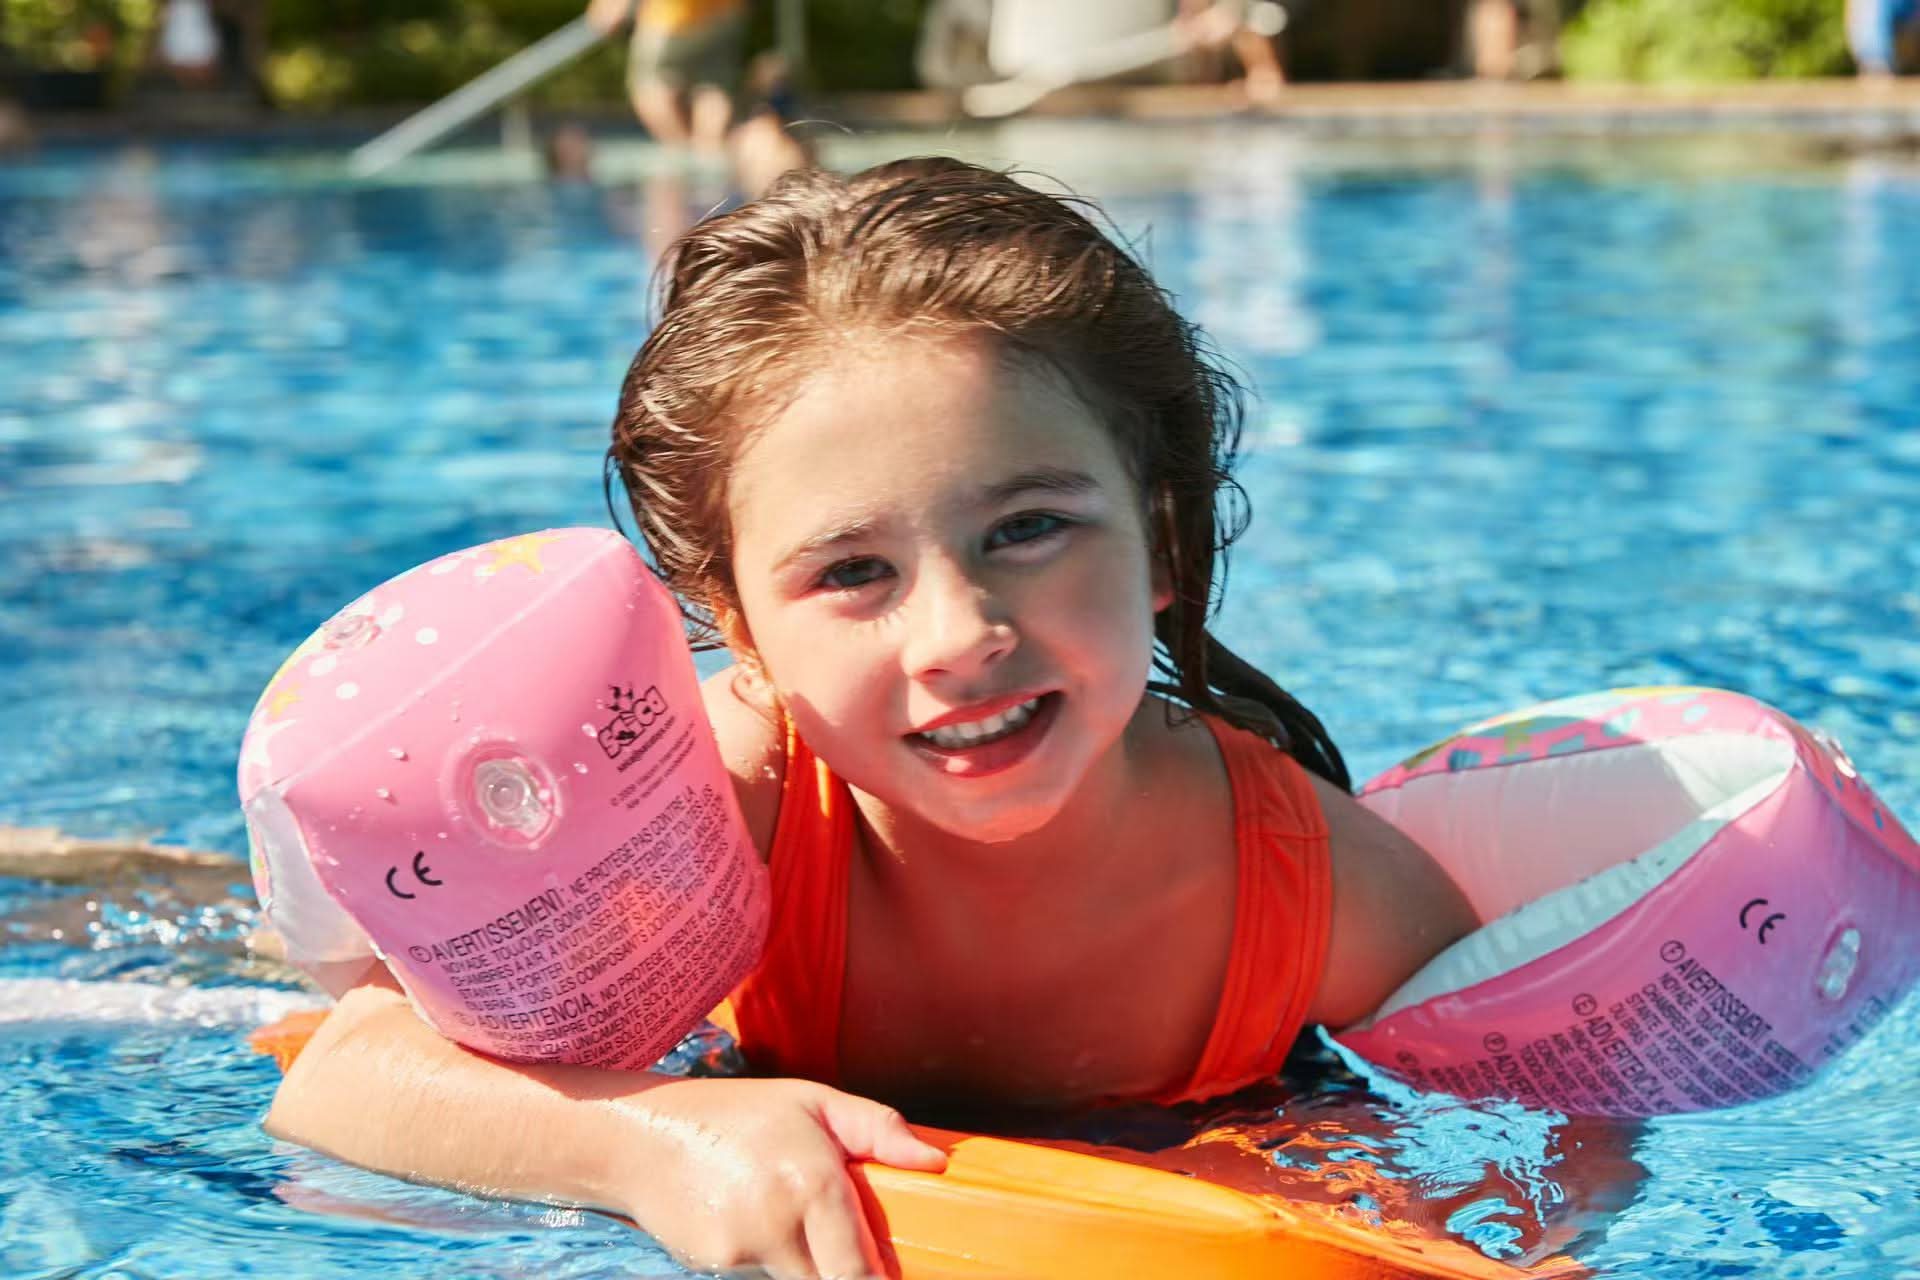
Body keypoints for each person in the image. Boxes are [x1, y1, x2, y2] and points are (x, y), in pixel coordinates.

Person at [262, 158, 1479, 1280]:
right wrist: (648, 1142)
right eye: (852, 572)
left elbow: (1546, 1152)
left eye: (1027, 529)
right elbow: (340, 1075)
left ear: (1162, 540)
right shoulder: (713, 806)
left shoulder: (1323, 893)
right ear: (742, 631)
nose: (958, 633)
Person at [586, 0, 749, 151]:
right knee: (712, 86)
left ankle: (684, 155)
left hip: (671, 17)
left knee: (650, 86)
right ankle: (709, 153)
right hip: (725, 13)